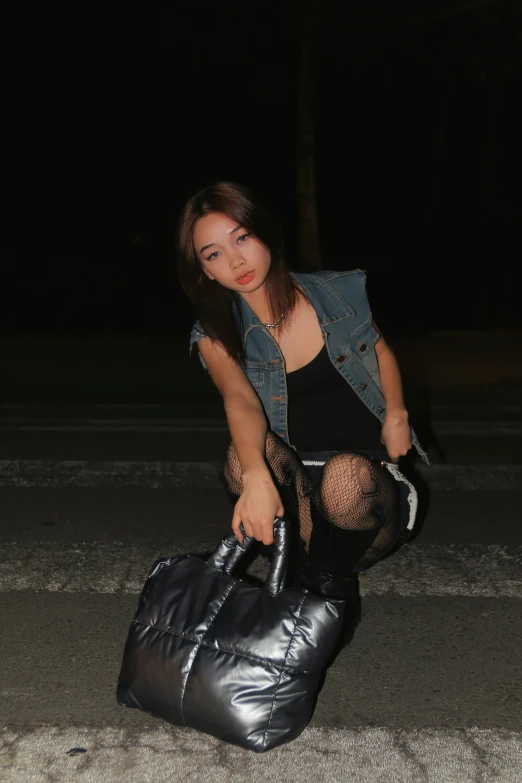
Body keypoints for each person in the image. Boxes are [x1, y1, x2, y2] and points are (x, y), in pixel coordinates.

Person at [177, 180, 428, 629]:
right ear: (206, 273)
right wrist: (256, 475)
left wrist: (396, 413)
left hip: (366, 485)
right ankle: (322, 586)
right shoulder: (216, 333)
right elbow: (240, 399)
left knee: (345, 477)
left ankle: (322, 581)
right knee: (240, 460)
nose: (234, 260)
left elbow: (380, 352)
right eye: (213, 254)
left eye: (242, 238)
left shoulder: (336, 293)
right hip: (297, 490)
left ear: (265, 234)